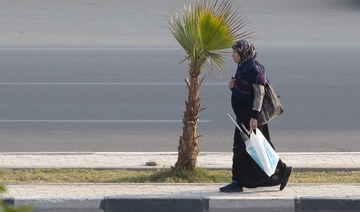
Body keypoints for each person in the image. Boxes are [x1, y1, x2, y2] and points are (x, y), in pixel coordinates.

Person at [219, 40, 292, 192]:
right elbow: (245, 92)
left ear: (243, 54)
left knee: (246, 148)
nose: (232, 55)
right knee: (256, 148)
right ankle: (241, 180)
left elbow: (259, 94)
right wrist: (233, 87)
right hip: (245, 114)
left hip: (251, 116)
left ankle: (238, 182)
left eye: (235, 53)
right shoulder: (243, 67)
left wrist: (254, 117)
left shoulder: (253, 69)